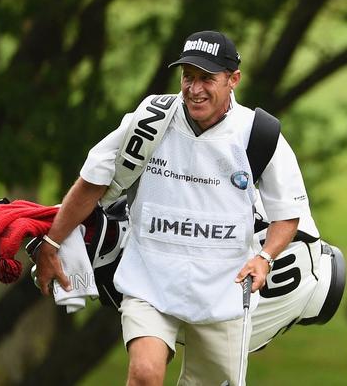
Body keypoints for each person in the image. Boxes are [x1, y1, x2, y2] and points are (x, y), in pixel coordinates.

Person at [35, 30, 313, 386]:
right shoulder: (150, 121)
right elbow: (92, 183)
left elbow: (287, 213)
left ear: (233, 80)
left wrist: (266, 257)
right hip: (149, 283)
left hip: (223, 296)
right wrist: (53, 243)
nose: (194, 89)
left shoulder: (259, 134)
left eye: (206, 79)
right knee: (145, 375)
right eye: (188, 77)